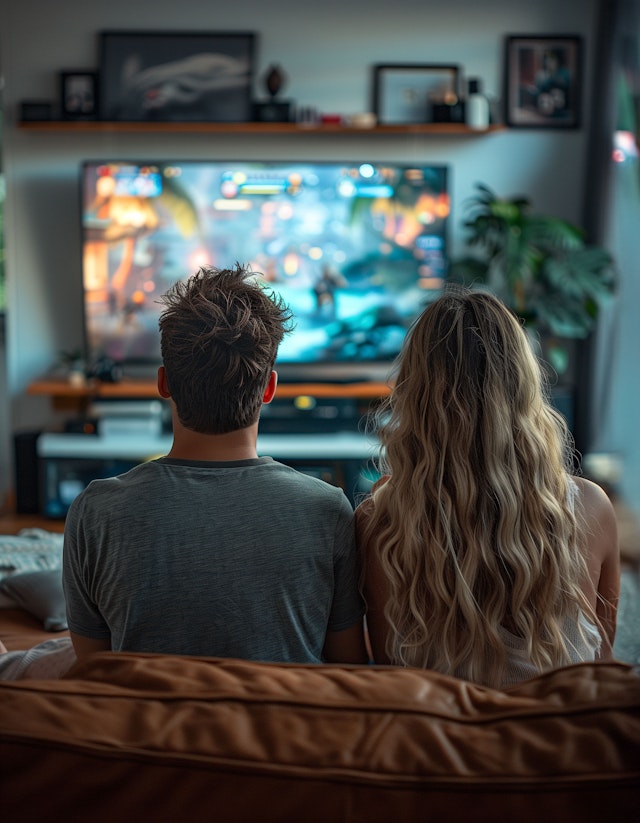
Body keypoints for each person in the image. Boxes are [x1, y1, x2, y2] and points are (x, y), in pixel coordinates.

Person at [63, 265, 367, 666]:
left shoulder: (95, 512)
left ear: (163, 383)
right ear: (270, 388)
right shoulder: (327, 509)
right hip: (284, 727)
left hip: (144, 727)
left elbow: (94, 671)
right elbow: (348, 669)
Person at [355, 287, 620, 688]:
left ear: (415, 391)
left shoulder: (379, 520)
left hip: (440, 743)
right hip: (560, 738)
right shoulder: (590, 506)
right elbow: (601, 659)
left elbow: (386, 663)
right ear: (523, 386)